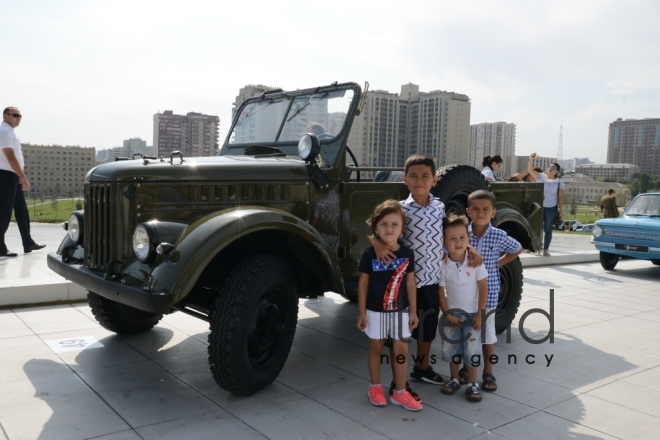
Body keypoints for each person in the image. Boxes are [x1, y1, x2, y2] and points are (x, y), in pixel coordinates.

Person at [371, 153, 482, 400]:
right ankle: (396, 381)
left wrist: (470, 248)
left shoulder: (439, 206)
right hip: (405, 283)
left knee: (427, 330)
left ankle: (422, 367)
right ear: (405, 179)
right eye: (413, 176)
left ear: (435, 179)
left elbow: (452, 235)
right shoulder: (400, 208)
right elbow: (381, 228)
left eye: (425, 176)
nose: (419, 181)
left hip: (432, 281)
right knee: (401, 334)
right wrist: (376, 242)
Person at [357, 199, 421, 411]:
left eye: (395, 224)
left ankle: (399, 392)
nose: (389, 229)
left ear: (402, 228)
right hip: (375, 312)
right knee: (376, 347)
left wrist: (413, 311)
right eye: (384, 224)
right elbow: (363, 283)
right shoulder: (369, 254)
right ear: (375, 226)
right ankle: (375, 387)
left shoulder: (407, 254)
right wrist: (362, 313)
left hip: (401, 311)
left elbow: (411, 283)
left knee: (401, 348)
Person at [459, 189, 522, 393]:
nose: (480, 213)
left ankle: (488, 371)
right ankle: (466, 368)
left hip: (491, 292)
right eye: (475, 209)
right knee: (466, 333)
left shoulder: (498, 235)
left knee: (487, 335)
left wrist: (499, 262)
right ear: (468, 211)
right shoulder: (462, 235)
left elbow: (517, 248)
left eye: (486, 209)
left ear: (493, 212)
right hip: (465, 293)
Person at [437, 214, 488, 403]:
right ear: (444, 241)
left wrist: (480, 315)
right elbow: (440, 292)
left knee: (472, 349)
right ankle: (454, 378)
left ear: (468, 239)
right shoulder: (443, 265)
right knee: (452, 348)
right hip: (452, 316)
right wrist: (447, 315)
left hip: (474, 314)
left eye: (462, 237)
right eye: (452, 238)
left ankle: (472, 382)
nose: (458, 242)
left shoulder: (475, 262)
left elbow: (483, 288)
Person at [0, 107, 45, 257]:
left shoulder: (10, 132)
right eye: (15, 115)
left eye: (20, 116)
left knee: (22, 211)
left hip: (12, 175)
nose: (18, 118)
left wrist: (19, 176)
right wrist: (23, 177)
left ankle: (28, 242)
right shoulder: (4, 131)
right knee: (4, 212)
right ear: (6, 116)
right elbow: (10, 157)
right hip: (5, 175)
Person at [527, 153, 564, 256]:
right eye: (549, 166)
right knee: (538, 228)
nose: (550, 168)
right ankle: (537, 249)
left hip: (551, 208)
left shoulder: (559, 182)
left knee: (548, 229)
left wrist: (561, 212)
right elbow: (530, 170)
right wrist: (531, 159)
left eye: (553, 167)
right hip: (540, 207)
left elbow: (560, 198)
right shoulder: (541, 177)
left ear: (557, 171)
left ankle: (546, 249)